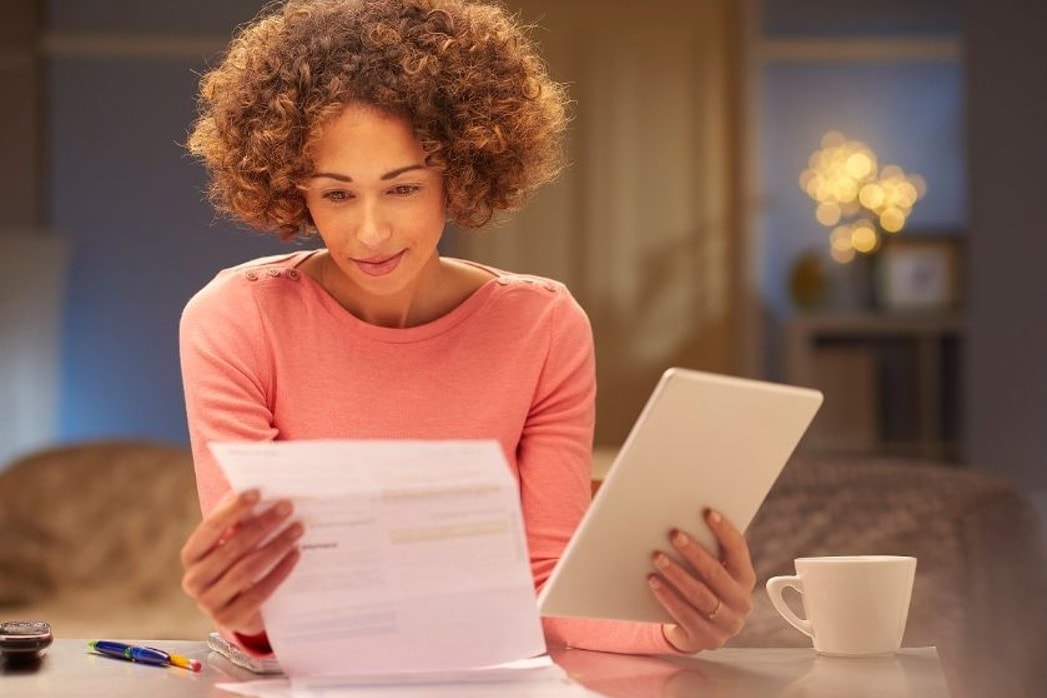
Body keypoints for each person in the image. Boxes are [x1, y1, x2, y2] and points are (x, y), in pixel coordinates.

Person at [178, 0, 756, 659]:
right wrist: (247, 617)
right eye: (337, 193)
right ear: (295, 189)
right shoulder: (236, 319)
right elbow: (256, 596)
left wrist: (677, 629)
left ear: (456, 175)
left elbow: (548, 587)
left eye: (402, 188)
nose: (370, 231)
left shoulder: (542, 327)